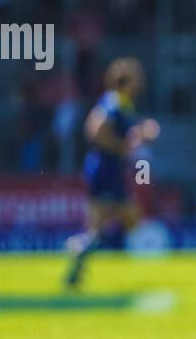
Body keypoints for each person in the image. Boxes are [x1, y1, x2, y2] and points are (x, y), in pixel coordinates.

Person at [63, 57, 159, 288]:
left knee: (107, 222)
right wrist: (123, 146)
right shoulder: (114, 102)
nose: (139, 84)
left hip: (107, 169)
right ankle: (80, 247)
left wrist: (139, 134)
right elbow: (95, 130)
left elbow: (118, 136)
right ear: (125, 82)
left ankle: (80, 254)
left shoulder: (122, 104)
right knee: (129, 218)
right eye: (135, 80)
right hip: (105, 170)